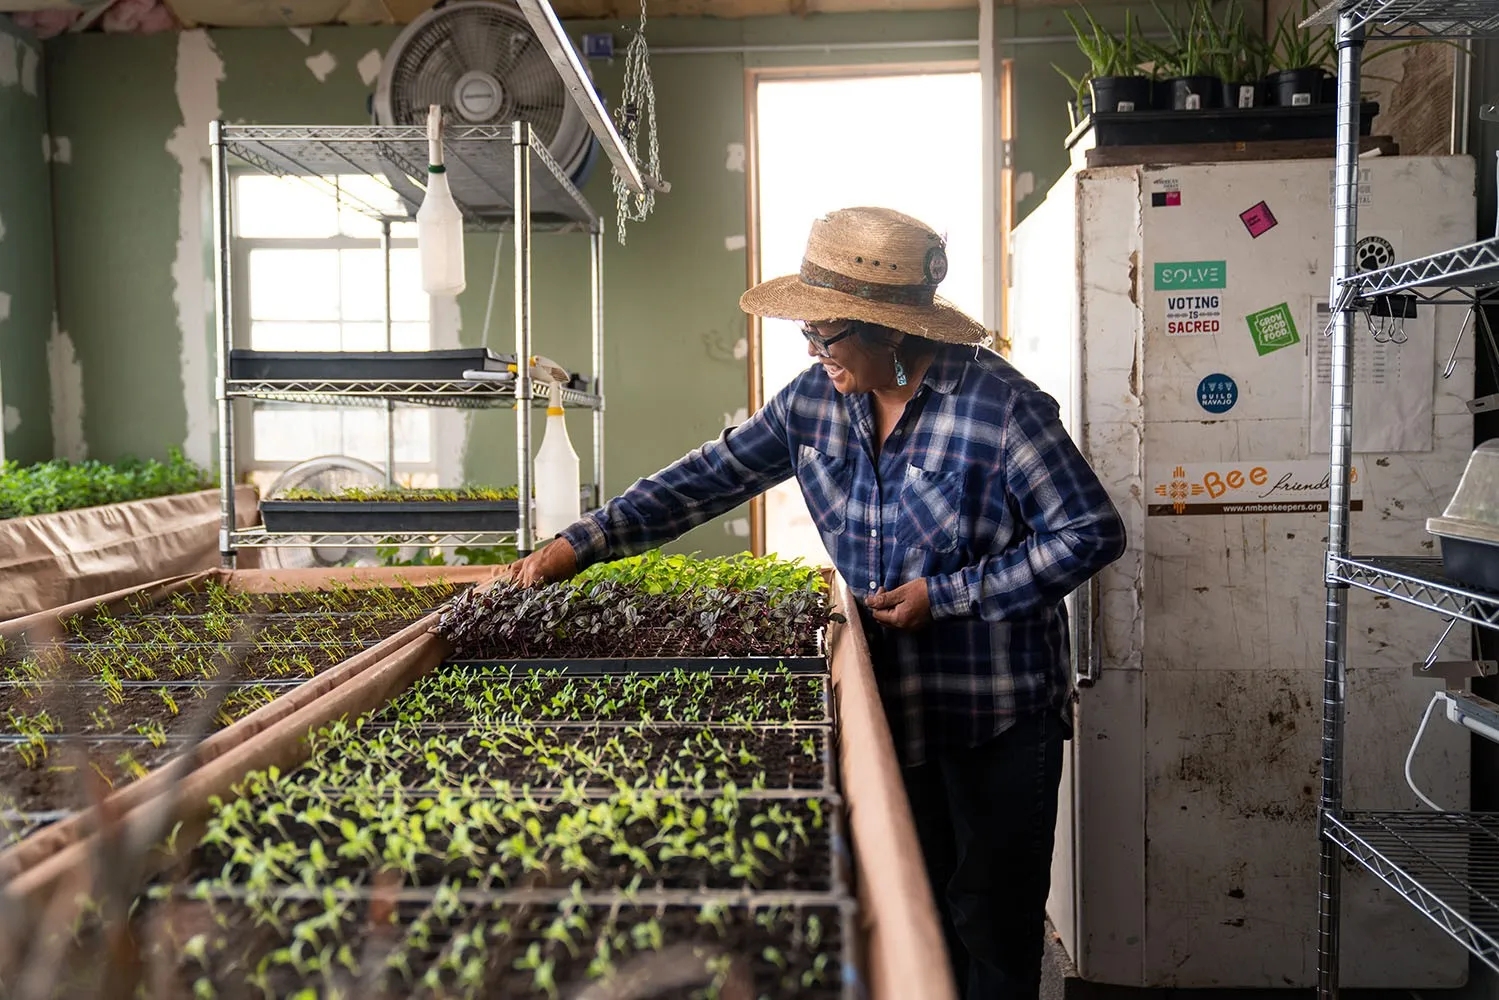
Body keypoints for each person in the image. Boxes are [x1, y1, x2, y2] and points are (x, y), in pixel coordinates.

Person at [500, 206, 1126, 1000]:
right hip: (886, 704)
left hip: (994, 713)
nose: (811, 350)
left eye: (825, 334)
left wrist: (952, 594)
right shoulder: (814, 402)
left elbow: (1088, 532)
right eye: (807, 334)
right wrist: (576, 545)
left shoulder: (1000, 409)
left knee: (993, 922)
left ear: (890, 331)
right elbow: (703, 479)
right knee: (915, 906)